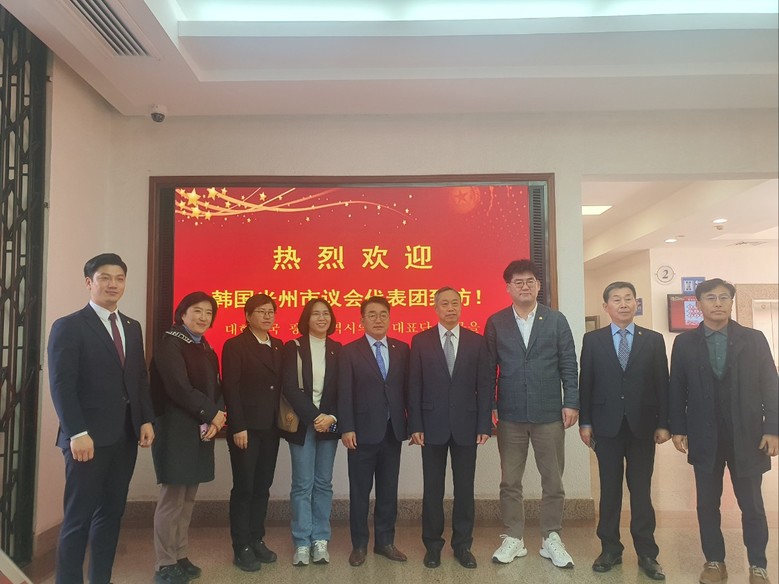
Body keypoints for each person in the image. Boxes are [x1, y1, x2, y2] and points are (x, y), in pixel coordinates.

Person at [48, 253, 155, 584]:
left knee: (111, 514)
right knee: (78, 519)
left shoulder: (132, 327)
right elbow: (62, 384)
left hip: (124, 437)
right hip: (86, 440)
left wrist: (145, 419)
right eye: (105, 277)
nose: (113, 284)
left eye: (119, 278)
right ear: (89, 282)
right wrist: (76, 432)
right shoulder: (69, 326)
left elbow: (138, 378)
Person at [669, 278, 778, 584]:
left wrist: (773, 428)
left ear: (731, 302)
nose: (718, 303)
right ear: (698, 304)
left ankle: (758, 565)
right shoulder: (685, 343)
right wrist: (678, 427)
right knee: (706, 503)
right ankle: (714, 561)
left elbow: (771, 385)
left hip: (748, 435)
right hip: (704, 435)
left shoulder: (753, 339)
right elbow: (677, 387)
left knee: (752, 504)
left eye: (723, 297)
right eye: (710, 298)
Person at [485, 259, 579, 569]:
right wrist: (491, 404)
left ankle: (552, 537)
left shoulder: (556, 320)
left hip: (549, 412)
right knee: (510, 481)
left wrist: (571, 401)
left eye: (530, 281)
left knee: (553, 480)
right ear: (508, 288)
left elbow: (569, 363)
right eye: (518, 282)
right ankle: (514, 537)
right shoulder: (496, 322)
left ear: (538, 286)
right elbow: (489, 369)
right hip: (510, 414)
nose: (524, 286)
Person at [578, 281, 669, 580]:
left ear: (636, 304)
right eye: (616, 299)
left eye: (628, 298)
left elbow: (663, 384)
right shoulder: (593, 340)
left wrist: (664, 423)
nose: (623, 304)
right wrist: (585, 422)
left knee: (641, 491)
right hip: (606, 426)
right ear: (606, 306)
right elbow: (585, 383)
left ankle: (647, 553)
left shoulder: (653, 340)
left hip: (643, 426)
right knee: (610, 490)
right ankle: (610, 549)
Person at [408, 287, 492, 569]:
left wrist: (484, 424)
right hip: (431, 426)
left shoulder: (476, 342)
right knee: (432, 490)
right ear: (435, 308)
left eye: (455, 303)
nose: (450, 308)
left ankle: (462, 546)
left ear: (461, 306)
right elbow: (414, 386)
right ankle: (433, 546)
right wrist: (415, 424)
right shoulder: (420, 341)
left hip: (467, 425)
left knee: (465, 489)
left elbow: (485, 386)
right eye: (444, 304)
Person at [150, 291, 225, 584]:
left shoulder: (205, 347)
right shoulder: (170, 344)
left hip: (200, 428)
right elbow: (178, 388)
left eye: (208, 312)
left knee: (188, 498)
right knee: (172, 499)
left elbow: (216, 388)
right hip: (175, 429)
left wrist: (219, 414)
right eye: (197, 311)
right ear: (182, 314)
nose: (203, 317)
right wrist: (212, 413)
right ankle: (164, 562)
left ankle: (180, 554)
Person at [337, 296, 410, 567]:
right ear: (362, 320)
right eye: (372, 315)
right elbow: (344, 393)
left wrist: (412, 425)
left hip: (392, 431)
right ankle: (359, 545)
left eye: (383, 314)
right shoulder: (349, 351)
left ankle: (385, 542)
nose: (378, 319)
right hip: (361, 434)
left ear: (390, 318)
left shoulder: (402, 349)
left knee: (388, 491)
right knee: (359, 492)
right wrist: (346, 427)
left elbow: (408, 390)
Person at [221, 293, 283, 572]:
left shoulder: (278, 345)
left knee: (262, 486)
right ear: (247, 316)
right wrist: (238, 426)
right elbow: (231, 388)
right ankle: (241, 545)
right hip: (246, 429)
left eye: (271, 311)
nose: (267, 316)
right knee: (244, 486)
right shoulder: (235, 345)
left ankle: (257, 539)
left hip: (271, 427)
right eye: (261, 311)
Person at [280, 298, 342, 566]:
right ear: (306, 319)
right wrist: (315, 417)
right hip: (304, 423)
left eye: (326, 313)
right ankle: (302, 541)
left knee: (324, 483)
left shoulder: (338, 349)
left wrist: (331, 418)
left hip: (330, 423)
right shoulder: (293, 347)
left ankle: (321, 539)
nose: (321, 318)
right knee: (302, 484)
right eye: (316, 314)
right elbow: (289, 387)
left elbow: (343, 389)